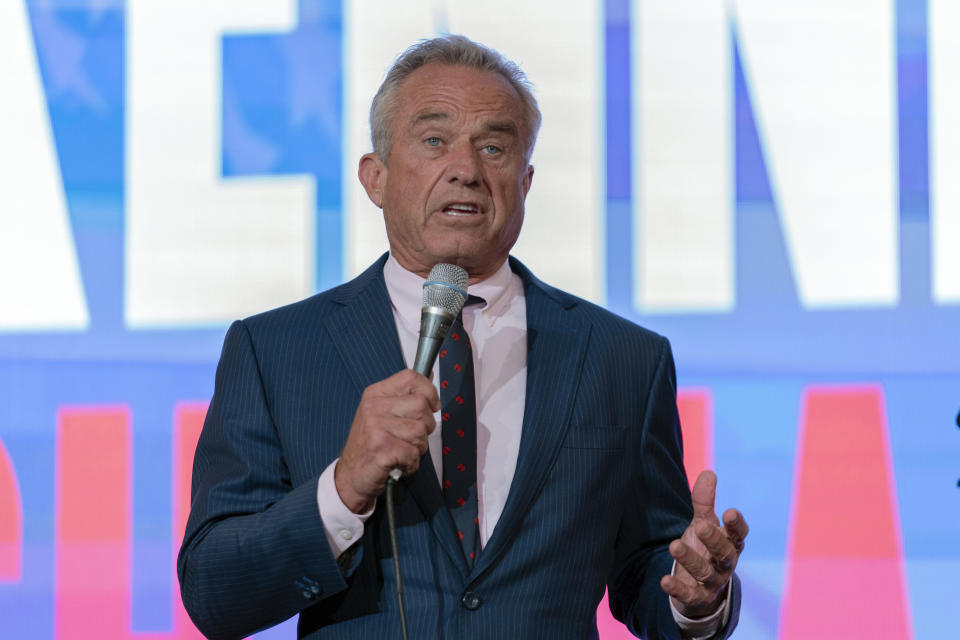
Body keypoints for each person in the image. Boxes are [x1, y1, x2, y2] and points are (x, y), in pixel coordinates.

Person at [178, 35, 748, 639]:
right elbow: (216, 593)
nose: (467, 170)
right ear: (375, 177)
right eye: (433, 141)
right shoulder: (276, 352)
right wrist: (343, 488)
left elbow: (647, 570)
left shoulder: (623, 358)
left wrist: (697, 599)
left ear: (525, 182)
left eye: (495, 147)